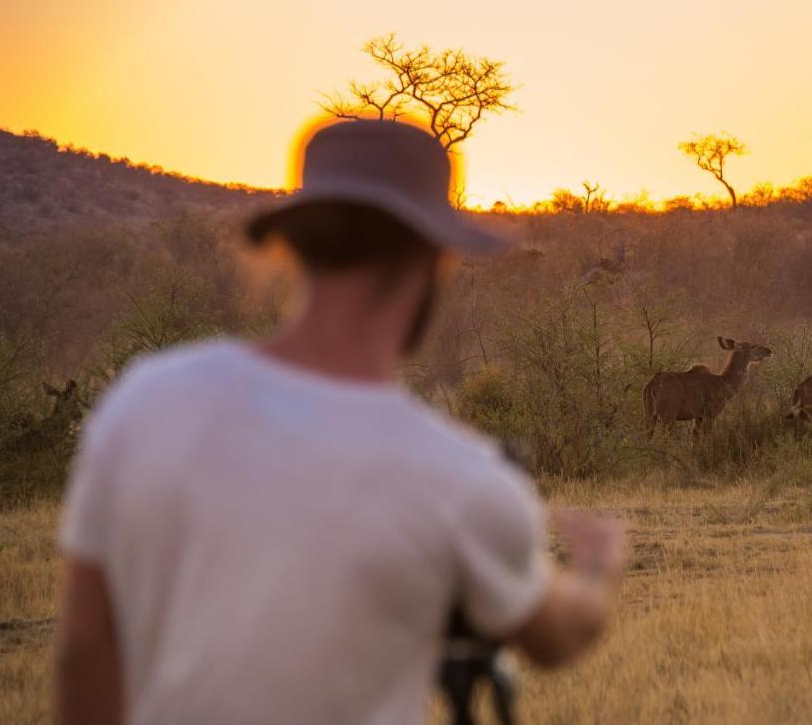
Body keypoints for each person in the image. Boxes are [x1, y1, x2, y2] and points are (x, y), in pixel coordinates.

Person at [53, 119, 628, 725]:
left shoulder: (146, 399)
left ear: (295, 246)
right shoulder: (460, 479)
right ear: (433, 259)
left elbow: (85, 653)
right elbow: (555, 635)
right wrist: (596, 569)